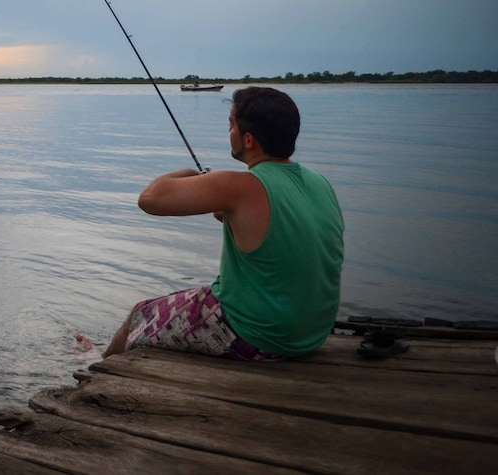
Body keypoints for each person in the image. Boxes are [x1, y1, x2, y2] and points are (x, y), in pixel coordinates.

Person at [77, 86, 344, 361]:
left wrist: (193, 176)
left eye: (231, 125)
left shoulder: (239, 186)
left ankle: (98, 363)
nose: (229, 132)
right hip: (312, 335)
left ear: (248, 139)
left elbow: (150, 199)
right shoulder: (319, 183)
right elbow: (283, 237)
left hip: (258, 337)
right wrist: (228, 211)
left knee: (140, 314)